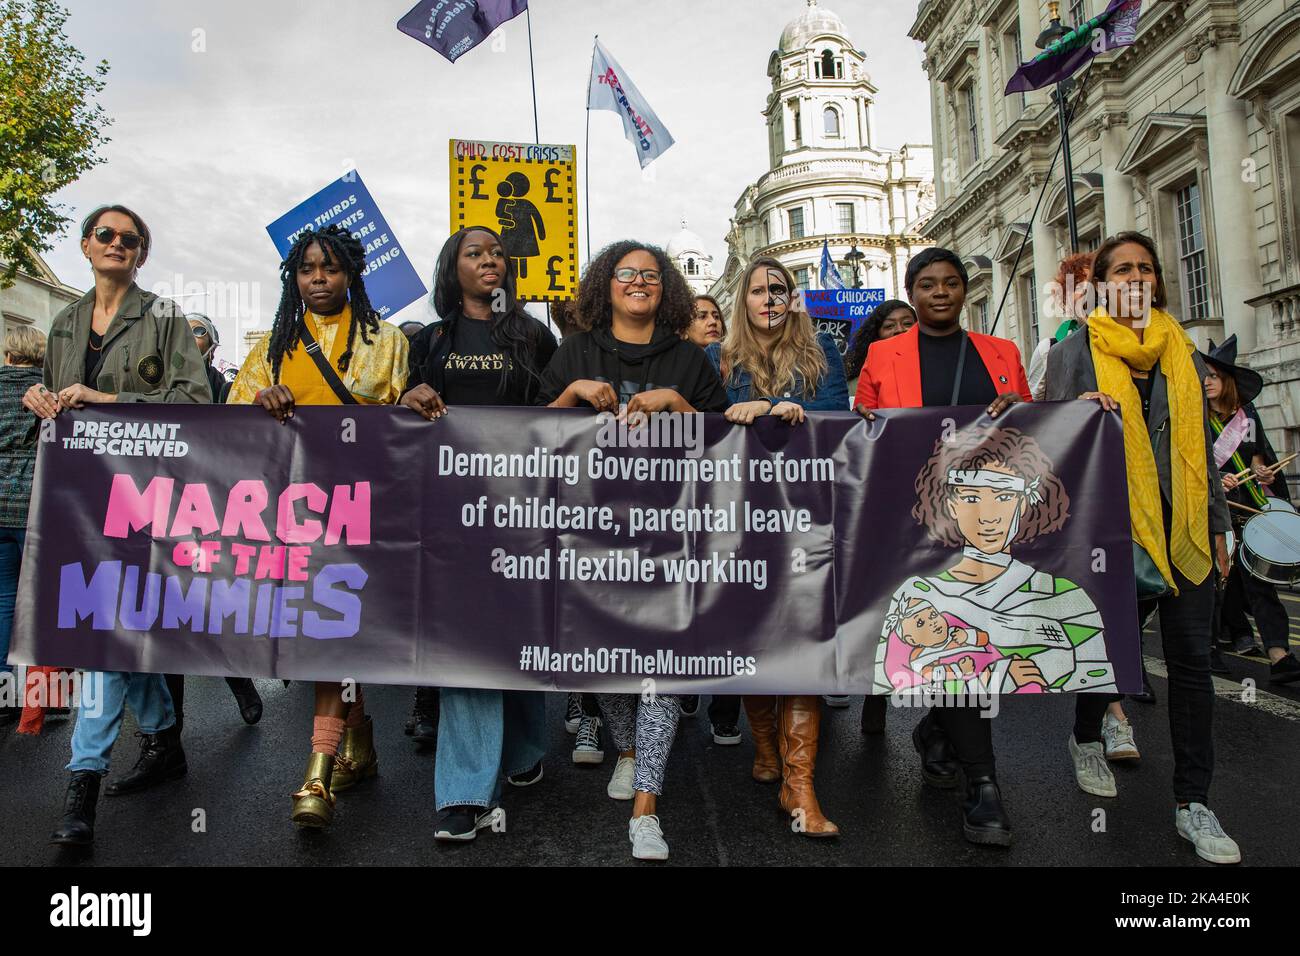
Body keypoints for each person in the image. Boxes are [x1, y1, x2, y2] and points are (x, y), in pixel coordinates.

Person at [1046, 230, 1240, 864]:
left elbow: (1202, 455)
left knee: (1191, 668)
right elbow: (1045, 446)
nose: (1135, 277)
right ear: (1100, 282)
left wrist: (1217, 523)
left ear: (1157, 280)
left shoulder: (1181, 349)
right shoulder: (1073, 353)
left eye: (1145, 269)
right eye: (1121, 268)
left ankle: (1193, 802)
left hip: (1183, 532)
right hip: (1113, 534)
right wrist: (1074, 412)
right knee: (1107, 652)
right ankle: (1085, 735)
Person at [537, 239, 728, 861]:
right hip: (588, 530)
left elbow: (729, 445)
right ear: (605, 284)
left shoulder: (690, 360)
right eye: (626, 274)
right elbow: (525, 438)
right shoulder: (575, 352)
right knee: (607, 661)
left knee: (663, 667)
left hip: (672, 535)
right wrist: (571, 394)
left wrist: (678, 404)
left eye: (650, 275)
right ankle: (625, 749)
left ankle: (647, 805)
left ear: (665, 288)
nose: (639, 282)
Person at [26, 204, 209, 847]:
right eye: (105, 235)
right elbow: (51, 404)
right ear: (85, 246)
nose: (117, 245)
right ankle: (163, 739)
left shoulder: (162, 316)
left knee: (104, 626)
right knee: (118, 623)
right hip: (81, 498)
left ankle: (83, 779)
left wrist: (110, 399)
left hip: (148, 497)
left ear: (141, 255)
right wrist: (39, 398)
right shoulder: (65, 321)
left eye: (130, 240)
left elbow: (196, 402)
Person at [228, 223, 408, 829]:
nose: (318, 279)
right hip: (293, 514)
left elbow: (400, 423)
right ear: (293, 278)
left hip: (363, 507)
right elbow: (229, 421)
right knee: (326, 633)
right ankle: (357, 741)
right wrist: (260, 400)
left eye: (329, 268)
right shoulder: (275, 344)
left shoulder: (386, 341)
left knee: (333, 630)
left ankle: (318, 770)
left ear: (352, 273)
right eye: (306, 269)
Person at [854, 246, 1030, 847]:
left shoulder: (1003, 354)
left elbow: (1036, 433)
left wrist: (1028, 411)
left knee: (983, 641)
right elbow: (865, 433)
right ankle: (983, 783)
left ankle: (936, 729)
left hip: (989, 522)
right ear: (912, 290)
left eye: (951, 283)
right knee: (960, 643)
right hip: (918, 522)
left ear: (963, 290)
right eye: (926, 284)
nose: (940, 293)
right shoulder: (883, 355)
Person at [402, 226, 557, 841]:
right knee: (465, 640)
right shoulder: (433, 340)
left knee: (516, 631)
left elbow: (558, 414)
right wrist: (410, 396)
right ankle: (463, 792)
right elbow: (402, 416)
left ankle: (523, 748)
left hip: (524, 510)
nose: (490, 259)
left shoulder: (533, 336)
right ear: (453, 268)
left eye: (497, 252)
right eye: (475, 252)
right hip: (451, 512)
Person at [706, 255, 848, 837]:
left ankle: (801, 784)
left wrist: (800, 416)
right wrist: (756, 410)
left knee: (803, 645)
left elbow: (838, 420)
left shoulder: (823, 355)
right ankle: (765, 745)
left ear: (792, 298)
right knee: (751, 639)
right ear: (743, 301)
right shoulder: (718, 359)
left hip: (808, 520)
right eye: (759, 290)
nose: (769, 299)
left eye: (780, 290)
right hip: (737, 521)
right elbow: (702, 426)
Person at [166, 312, 264, 728]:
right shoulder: (156, 386)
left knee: (207, 606)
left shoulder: (226, 388)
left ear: (212, 346)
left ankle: (239, 681)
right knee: (165, 614)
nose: (190, 338)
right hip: (162, 512)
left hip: (210, 514)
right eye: (182, 331)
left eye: (199, 331)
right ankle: (171, 728)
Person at [837, 297, 916, 725]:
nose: (900, 331)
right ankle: (874, 689)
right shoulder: (859, 377)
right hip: (877, 501)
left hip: (925, 500)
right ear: (874, 334)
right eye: (891, 326)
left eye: (908, 324)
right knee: (882, 598)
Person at [1203, 337, 1300, 684]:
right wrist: (1218, 479)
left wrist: (1264, 471)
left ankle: (1279, 655)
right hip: (1217, 512)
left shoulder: (1248, 417)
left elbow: (1260, 461)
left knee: (1262, 586)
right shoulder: (1195, 418)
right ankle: (1209, 649)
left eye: (1214, 376)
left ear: (1228, 381)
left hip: (1249, 510)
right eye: (1204, 376)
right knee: (1216, 584)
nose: (1207, 382)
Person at [0, 327, 45, 725]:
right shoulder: (48, 390)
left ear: (9, 355)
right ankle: (40, 699)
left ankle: (2, 695)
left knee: (2, 603)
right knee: (39, 607)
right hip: (35, 507)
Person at [1027, 252, 1093, 401]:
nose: (1088, 292)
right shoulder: (1048, 350)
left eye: (1094, 284)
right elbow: (1033, 408)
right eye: (1078, 286)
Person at [842, 298, 916, 394]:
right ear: (876, 334)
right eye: (890, 326)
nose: (899, 329)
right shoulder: (857, 385)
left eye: (907, 323)